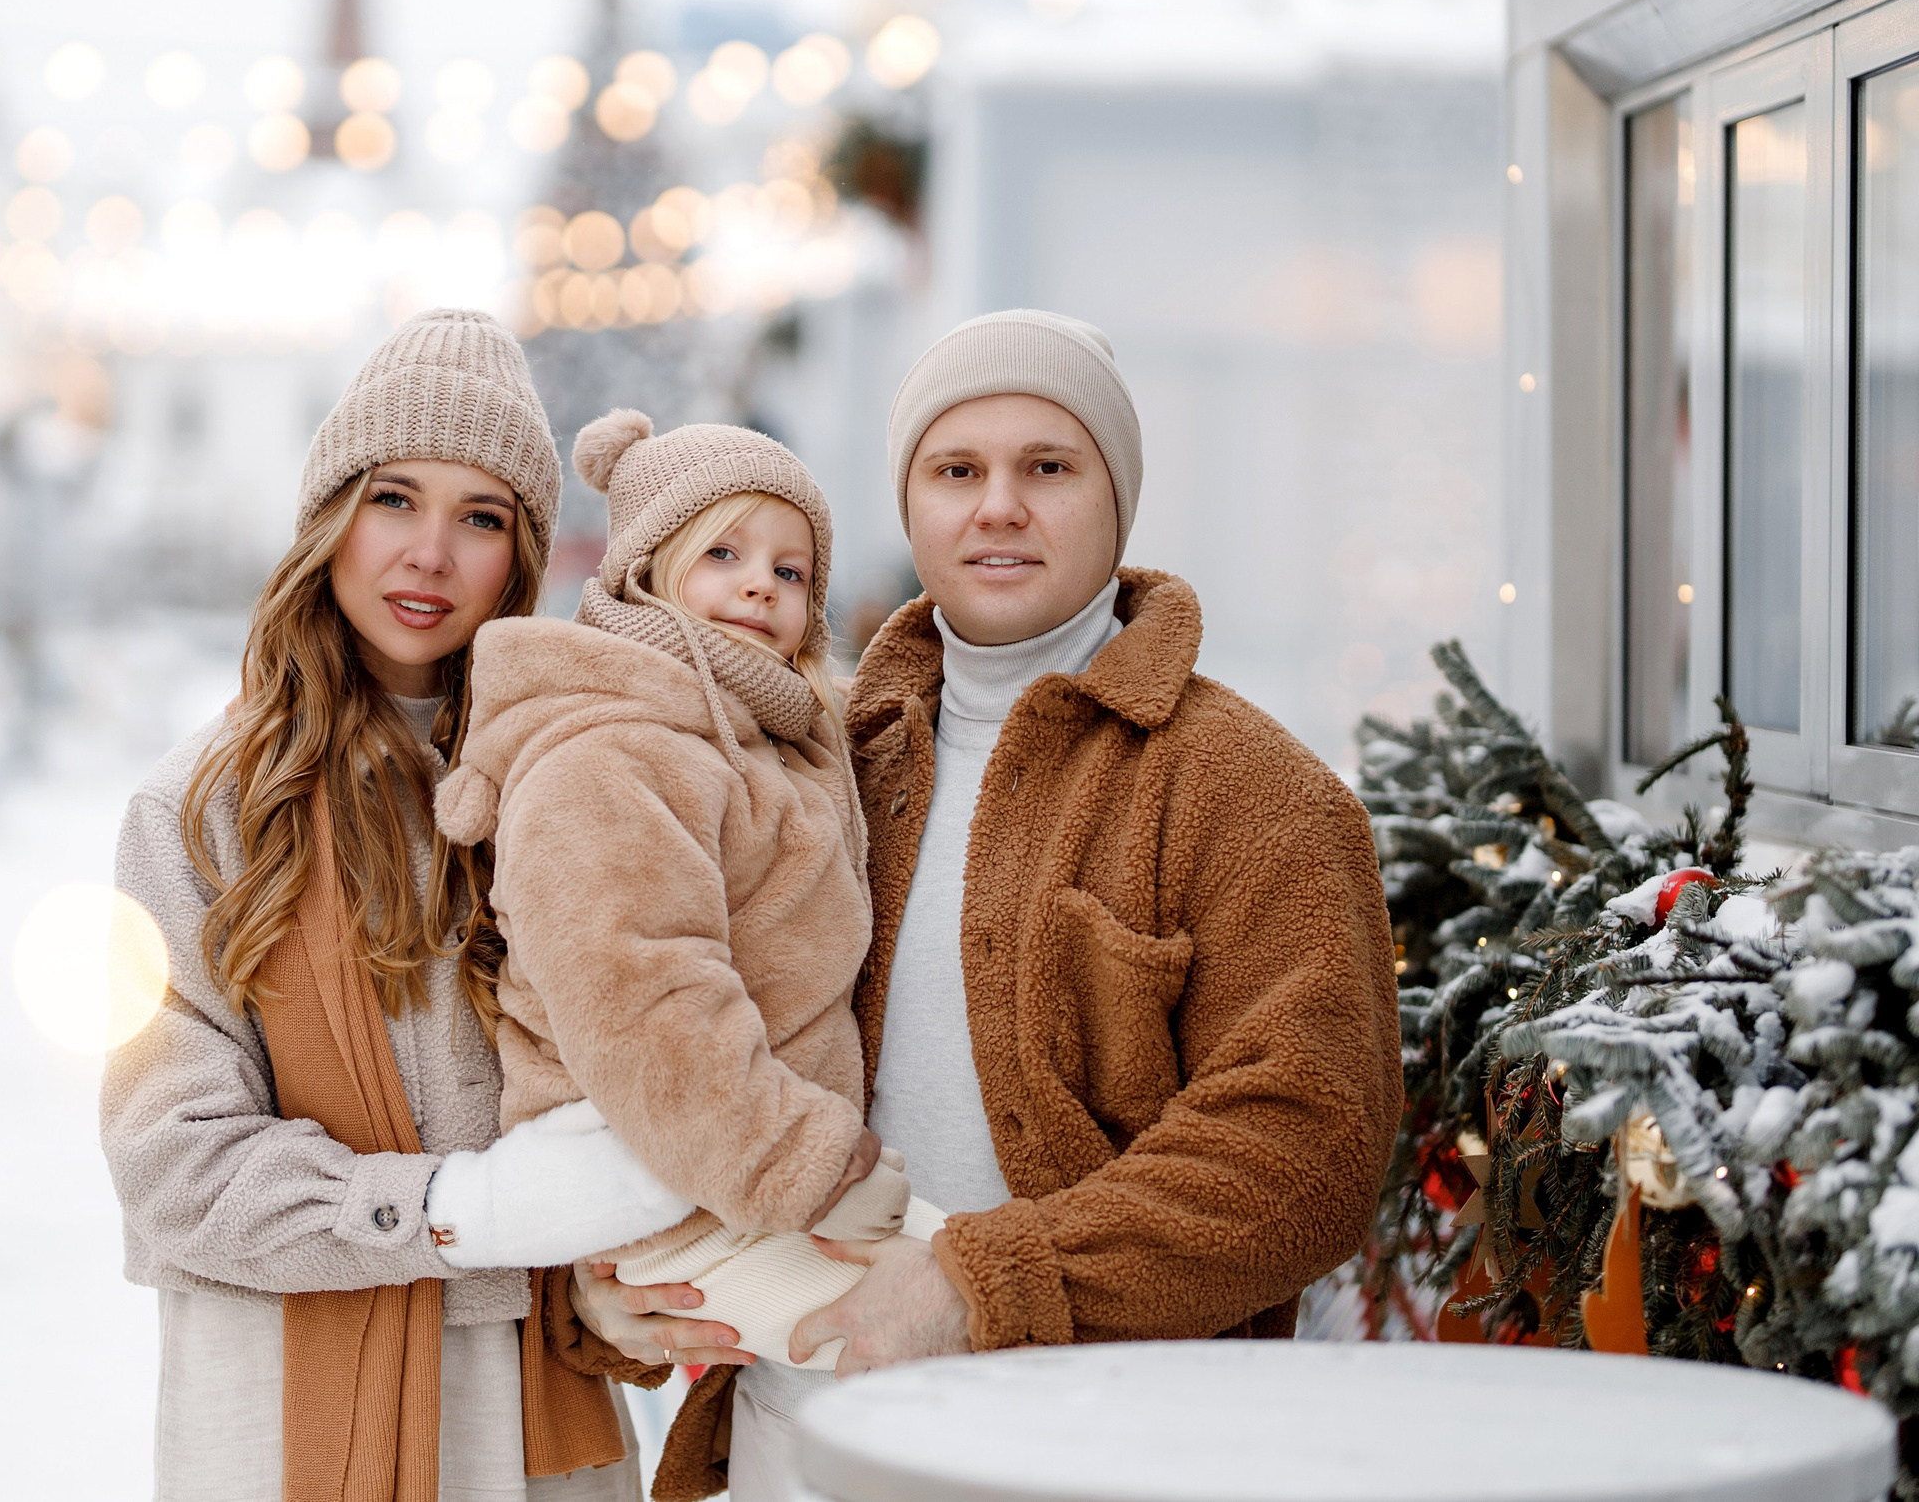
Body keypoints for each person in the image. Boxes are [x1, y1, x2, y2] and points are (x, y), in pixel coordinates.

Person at [585, 311, 1403, 1501]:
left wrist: (982, 1284)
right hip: (791, 1433)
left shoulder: (1252, 792)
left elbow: (1306, 1149)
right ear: (909, 504)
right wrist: (606, 1281)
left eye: (1048, 467)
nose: (999, 508)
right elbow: (649, 1025)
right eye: (956, 471)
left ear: (1117, 499)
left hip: (1091, 1450)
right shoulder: (814, 761)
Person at [102, 309, 665, 1502]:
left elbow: (636, 1083)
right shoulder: (197, 813)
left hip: (535, 1406)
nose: (430, 554)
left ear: (521, 557)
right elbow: (172, 1162)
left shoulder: (569, 793)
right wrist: (454, 1210)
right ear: (330, 518)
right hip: (278, 1410)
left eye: (481, 518)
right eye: (393, 499)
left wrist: (614, 1272)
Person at [424, 411, 923, 1368]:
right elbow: (645, 1002)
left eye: (790, 571)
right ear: (647, 567)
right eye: (722, 551)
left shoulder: (766, 738)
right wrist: (803, 1162)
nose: (759, 583)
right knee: (950, 1345)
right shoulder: (609, 756)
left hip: (730, 1176)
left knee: (978, 1302)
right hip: (659, 1175)